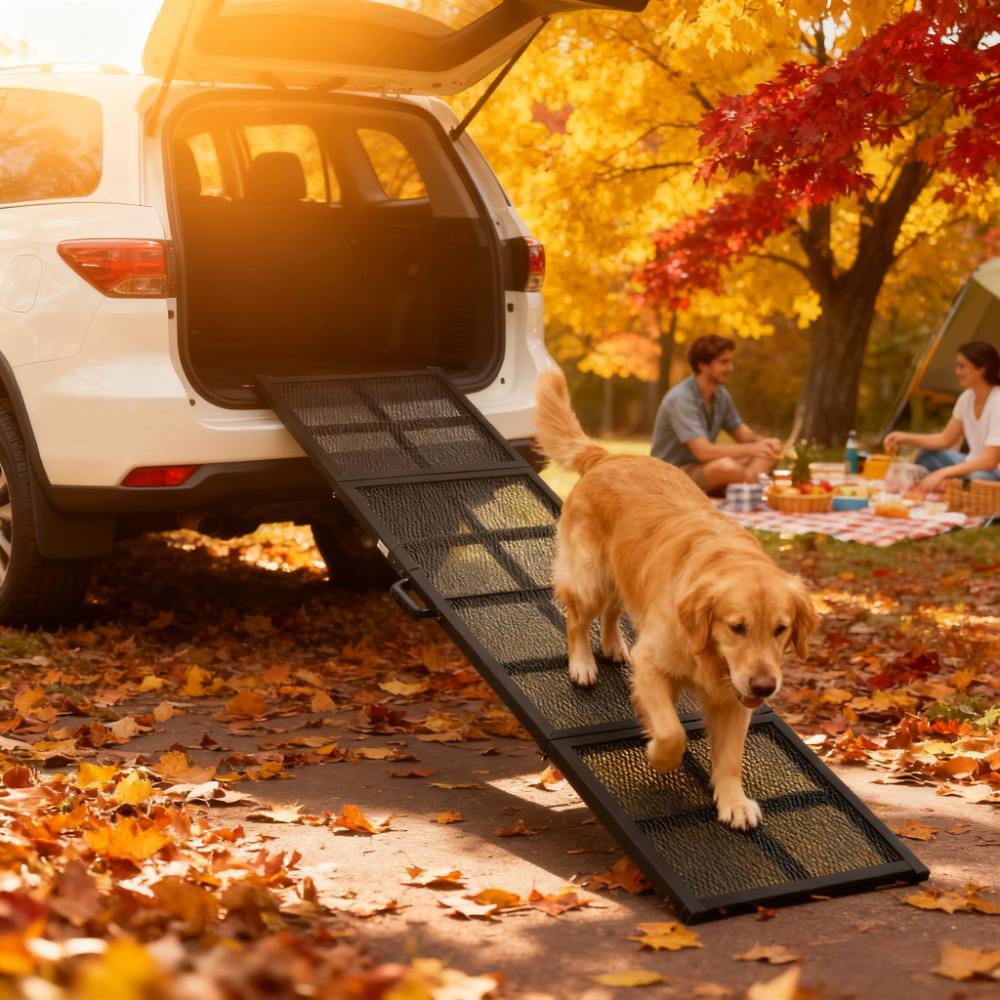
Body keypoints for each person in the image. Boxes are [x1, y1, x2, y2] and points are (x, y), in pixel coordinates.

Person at [651, 334, 781, 495]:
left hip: (702, 467)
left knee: (767, 453)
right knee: (726, 467)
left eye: (730, 361)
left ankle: (742, 487)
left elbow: (746, 437)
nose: (730, 368)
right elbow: (704, 452)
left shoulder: (721, 395)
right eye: (724, 362)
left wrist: (766, 443)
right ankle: (750, 488)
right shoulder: (680, 398)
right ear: (703, 365)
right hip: (672, 474)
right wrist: (754, 449)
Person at [884, 340, 1000, 495]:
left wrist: (943, 473)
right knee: (928, 456)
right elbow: (945, 439)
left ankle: (950, 485)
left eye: (962, 366)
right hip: (971, 465)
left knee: (977, 478)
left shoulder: (998, 401)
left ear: (981, 369)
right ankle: (951, 486)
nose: (957, 372)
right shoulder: (966, 398)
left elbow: (989, 460)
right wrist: (904, 438)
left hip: (992, 471)